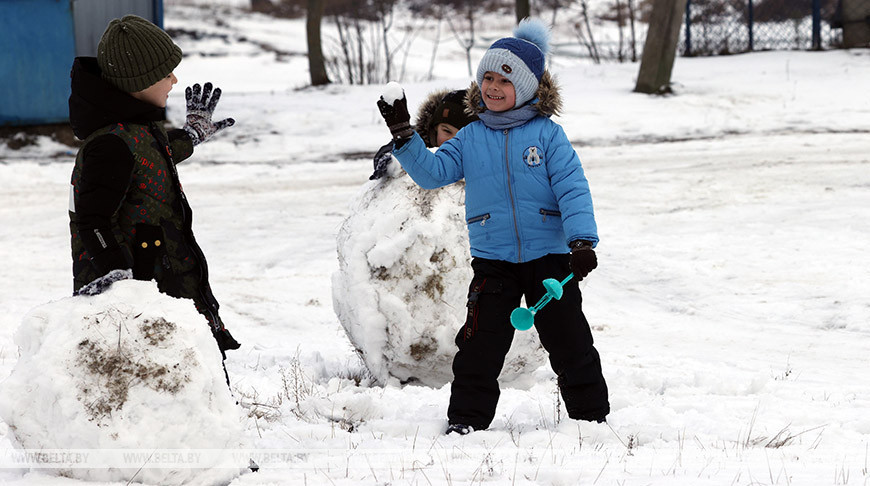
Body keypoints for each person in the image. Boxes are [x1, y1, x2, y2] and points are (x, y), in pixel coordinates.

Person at [377, 19, 609, 434]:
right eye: (487, 76)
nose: (493, 86)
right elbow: (432, 173)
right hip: (493, 260)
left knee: (569, 340)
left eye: (505, 78)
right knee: (479, 345)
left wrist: (582, 242)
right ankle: (466, 422)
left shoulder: (548, 136)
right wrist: (404, 136)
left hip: (550, 257)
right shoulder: (471, 137)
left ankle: (591, 418)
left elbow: (573, 189)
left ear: (526, 86)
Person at [68, 15, 241, 360]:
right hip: (140, 295)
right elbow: (91, 220)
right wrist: (120, 280)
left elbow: (151, 157)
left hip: (165, 279)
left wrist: (191, 136)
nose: (175, 80)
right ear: (138, 81)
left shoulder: (134, 128)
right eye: (166, 74)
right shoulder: (110, 145)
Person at [369, 88, 477, 179]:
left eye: (463, 136)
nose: (452, 141)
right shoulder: (416, 139)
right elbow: (394, 146)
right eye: (447, 131)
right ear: (434, 128)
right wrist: (391, 161)